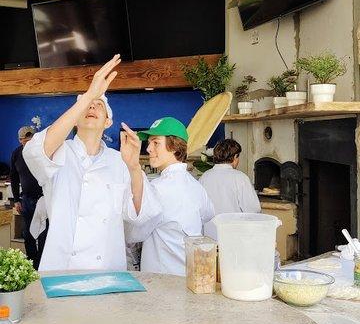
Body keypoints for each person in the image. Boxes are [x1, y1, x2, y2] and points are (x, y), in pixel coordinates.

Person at [23, 54, 161, 272]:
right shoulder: (60, 152)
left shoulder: (120, 161)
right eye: (87, 105)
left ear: (108, 122)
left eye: (99, 105)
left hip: (106, 269)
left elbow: (141, 218)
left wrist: (134, 167)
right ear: (75, 120)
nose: (92, 107)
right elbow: (34, 152)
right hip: (62, 270)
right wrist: (89, 95)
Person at [124, 117, 215, 276]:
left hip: (162, 279)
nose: (148, 149)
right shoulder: (197, 186)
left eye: (156, 143)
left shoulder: (157, 189)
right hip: (190, 275)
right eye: (149, 143)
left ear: (174, 147)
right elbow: (209, 214)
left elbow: (133, 234)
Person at [10, 126, 46, 269]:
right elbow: (13, 177)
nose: (27, 141)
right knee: (28, 233)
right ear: (20, 141)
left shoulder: (42, 151)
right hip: (26, 200)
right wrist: (16, 200)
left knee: (43, 233)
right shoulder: (17, 154)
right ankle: (32, 264)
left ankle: (43, 265)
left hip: (43, 199)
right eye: (24, 139)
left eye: (30, 137)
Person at [199, 139, 261, 214]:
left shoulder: (204, 177)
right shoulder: (240, 178)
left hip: (210, 225)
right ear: (235, 157)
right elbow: (253, 210)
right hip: (234, 224)